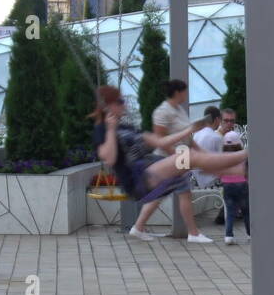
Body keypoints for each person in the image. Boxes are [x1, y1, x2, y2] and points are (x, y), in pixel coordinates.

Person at [94, 86, 248, 243]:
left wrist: (189, 130)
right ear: (108, 105)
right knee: (189, 157)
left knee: (189, 159)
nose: (124, 105)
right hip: (139, 180)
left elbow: (159, 141)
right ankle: (246, 156)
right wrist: (111, 130)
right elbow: (109, 158)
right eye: (120, 102)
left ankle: (241, 169)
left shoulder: (126, 128)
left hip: (150, 169)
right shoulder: (102, 130)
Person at [149, 79, 212, 243]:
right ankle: (193, 233)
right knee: (184, 193)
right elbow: (160, 138)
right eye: (185, 91)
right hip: (169, 157)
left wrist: (201, 151)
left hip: (180, 155)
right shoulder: (163, 111)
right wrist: (176, 157)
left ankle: (139, 226)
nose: (187, 94)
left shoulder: (179, 110)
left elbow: (187, 135)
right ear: (178, 92)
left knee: (163, 194)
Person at [220, 129, 249, 245]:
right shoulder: (242, 155)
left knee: (230, 212)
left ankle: (228, 236)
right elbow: (247, 171)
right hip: (242, 184)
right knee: (246, 212)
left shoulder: (221, 157)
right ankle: (250, 234)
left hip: (227, 185)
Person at [191, 105, 224, 189]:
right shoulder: (216, 137)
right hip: (212, 183)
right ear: (217, 119)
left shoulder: (196, 135)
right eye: (220, 120)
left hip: (196, 182)